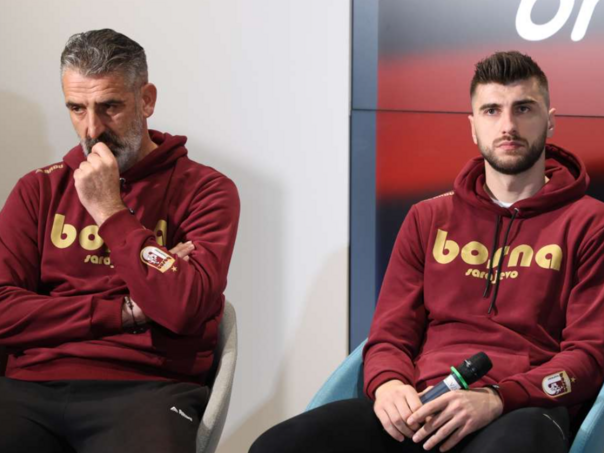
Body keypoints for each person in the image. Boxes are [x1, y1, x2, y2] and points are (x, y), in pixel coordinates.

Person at [249, 51, 604, 453]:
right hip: (421, 404)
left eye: (523, 108)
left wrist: (498, 398)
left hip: (519, 411)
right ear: (473, 127)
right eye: (491, 111)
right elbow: (389, 335)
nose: (507, 125)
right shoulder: (428, 217)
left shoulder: (591, 223)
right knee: (277, 446)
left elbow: (589, 356)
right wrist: (388, 384)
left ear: (550, 120)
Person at [0, 29, 239, 453]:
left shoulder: (207, 191)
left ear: (146, 100)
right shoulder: (38, 189)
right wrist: (126, 310)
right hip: (30, 385)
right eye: (77, 108)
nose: (92, 129)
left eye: (109, 106)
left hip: (148, 387)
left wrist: (110, 211)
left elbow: (183, 307)